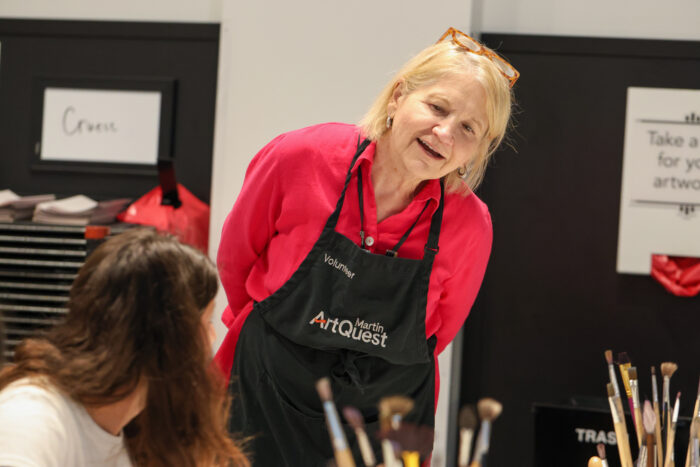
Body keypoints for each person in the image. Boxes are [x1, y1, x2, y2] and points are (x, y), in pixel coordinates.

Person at [215, 27, 518, 466]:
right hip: (265, 398)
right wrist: (274, 344)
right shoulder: (302, 157)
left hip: (384, 423)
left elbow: (439, 332)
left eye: (469, 128)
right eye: (437, 107)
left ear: (478, 149)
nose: (445, 133)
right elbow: (236, 257)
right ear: (398, 97)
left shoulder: (470, 224)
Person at [0, 228, 249, 467]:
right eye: (206, 323)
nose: (212, 338)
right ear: (166, 337)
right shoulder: (33, 415)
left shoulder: (139, 427)